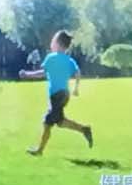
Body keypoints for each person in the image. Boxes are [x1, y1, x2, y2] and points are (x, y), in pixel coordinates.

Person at [30, 29, 94, 157]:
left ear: (58, 44)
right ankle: (84, 129)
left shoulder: (51, 58)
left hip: (56, 96)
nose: (51, 43)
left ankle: (40, 151)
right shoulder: (69, 60)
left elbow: (42, 73)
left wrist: (27, 74)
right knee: (59, 122)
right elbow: (77, 72)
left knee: (48, 122)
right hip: (64, 94)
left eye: (53, 40)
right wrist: (76, 88)